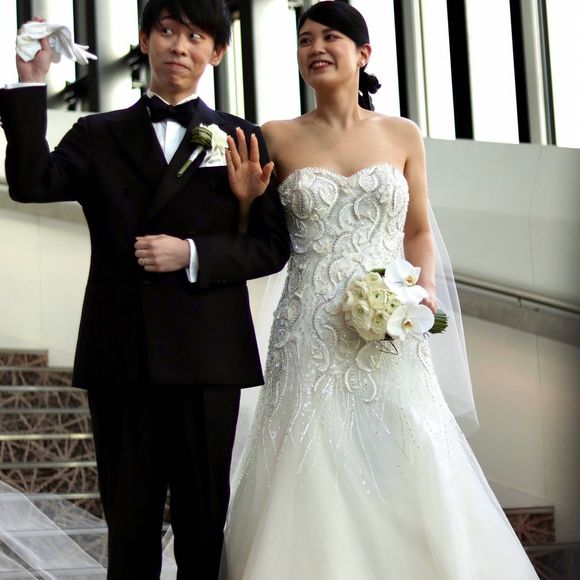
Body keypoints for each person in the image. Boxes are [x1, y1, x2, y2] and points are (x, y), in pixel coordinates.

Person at [219, 2, 540, 579]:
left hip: (391, 322)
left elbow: (417, 230)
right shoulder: (276, 136)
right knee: (310, 449)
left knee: (404, 448)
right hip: (309, 327)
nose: (315, 48)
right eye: (305, 39)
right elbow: (259, 240)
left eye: (330, 37)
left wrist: (423, 291)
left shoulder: (402, 133)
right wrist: (244, 201)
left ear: (363, 53)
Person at [0, 0, 290, 578]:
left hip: (208, 357)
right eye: (167, 31)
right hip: (122, 355)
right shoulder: (98, 133)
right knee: (129, 528)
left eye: (195, 36)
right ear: (144, 40)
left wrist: (193, 254)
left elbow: (271, 246)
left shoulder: (241, 137)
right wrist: (30, 83)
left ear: (217, 52)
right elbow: (31, 182)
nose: (179, 46)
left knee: (203, 528)